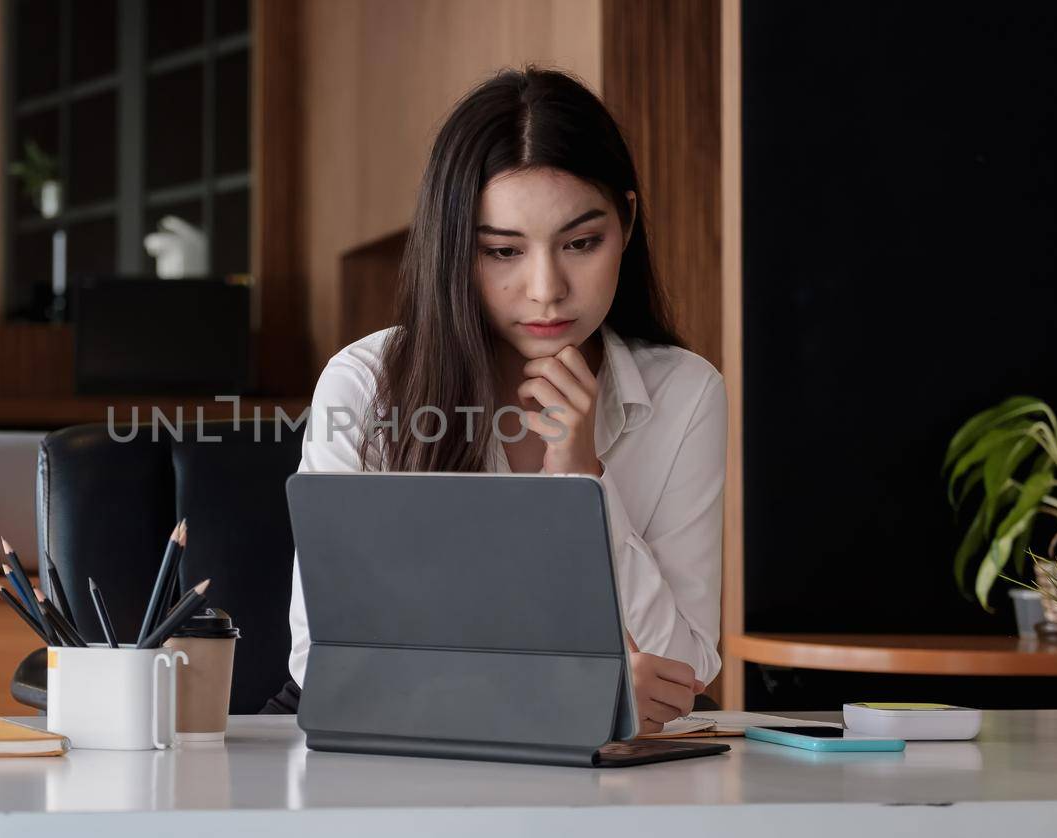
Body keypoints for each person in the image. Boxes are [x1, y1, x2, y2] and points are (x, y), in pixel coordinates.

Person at [283, 67, 727, 735]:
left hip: (604, 785)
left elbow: (683, 671)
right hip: (399, 769)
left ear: (628, 223)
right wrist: (573, 694)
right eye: (501, 251)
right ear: (453, 247)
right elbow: (323, 660)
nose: (546, 288)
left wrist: (581, 478)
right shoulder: (368, 384)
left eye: (581, 243)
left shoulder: (685, 393)